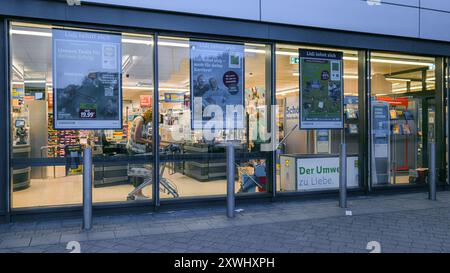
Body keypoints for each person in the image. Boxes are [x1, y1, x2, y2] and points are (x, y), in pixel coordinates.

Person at [126, 109, 152, 199]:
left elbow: (140, 136)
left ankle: (138, 193)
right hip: (135, 150)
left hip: (137, 149)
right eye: (151, 119)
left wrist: (146, 139)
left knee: (138, 172)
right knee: (139, 172)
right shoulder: (140, 120)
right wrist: (150, 141)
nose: (150, 121)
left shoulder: (141, 120)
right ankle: (138, 194)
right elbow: (137, 138)